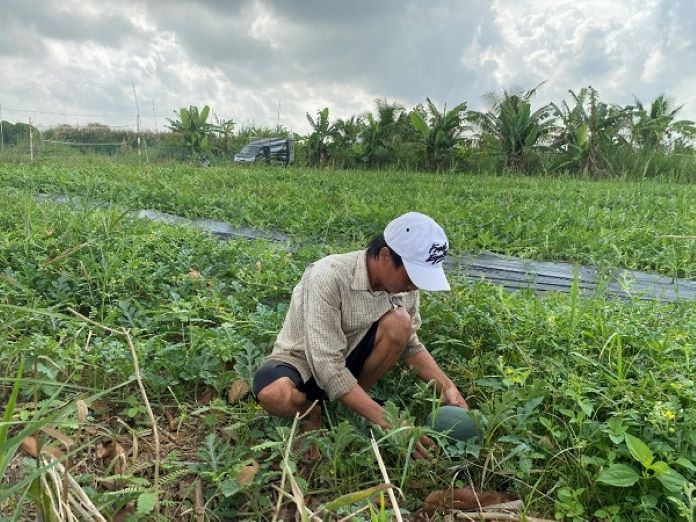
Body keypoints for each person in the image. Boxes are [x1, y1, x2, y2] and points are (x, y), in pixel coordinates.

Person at [252, 212, 467, 458]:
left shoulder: (404, 289)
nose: (414, 286)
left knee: (400, 323)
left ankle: (353, 406)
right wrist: (389, 422)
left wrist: (448, 387)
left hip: (351, 358)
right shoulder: (329, 276)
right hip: (303, 360)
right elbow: (326, 365)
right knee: (273, 394)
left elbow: (410, 346)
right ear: (385, 256)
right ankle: (312, 414)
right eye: (411, 275)